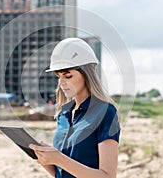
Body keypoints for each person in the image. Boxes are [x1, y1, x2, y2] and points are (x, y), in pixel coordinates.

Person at [29, 38, 120, 178]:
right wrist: (46, 160)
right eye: (59, 77)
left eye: (68, 76)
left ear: (87, 75)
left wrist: (59, 158)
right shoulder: (63, 114)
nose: (61, 83)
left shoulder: (105, 112)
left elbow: (107, 176)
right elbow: (62, 173)